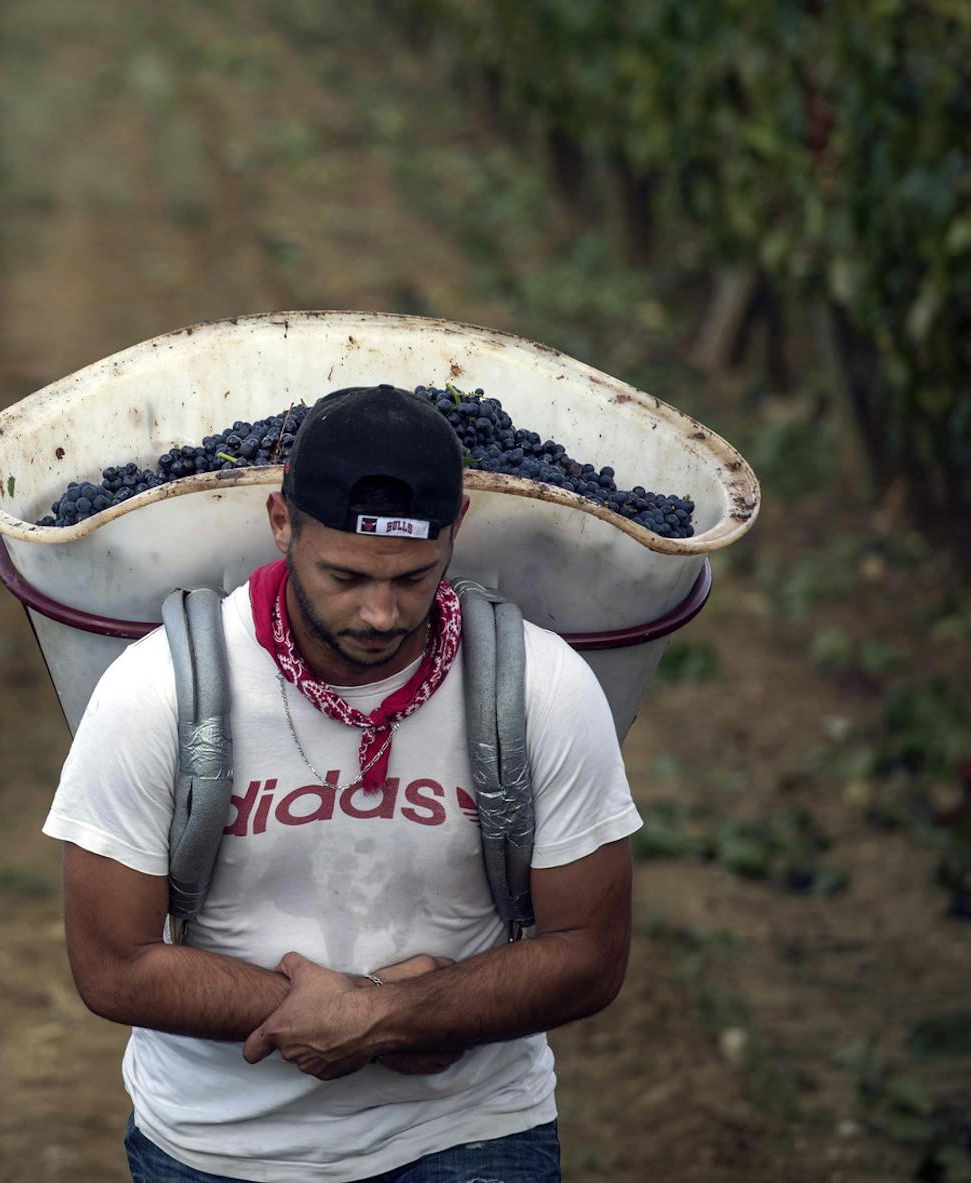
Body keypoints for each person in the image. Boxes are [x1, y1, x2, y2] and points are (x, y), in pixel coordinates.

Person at [44, 384, 641, 1182]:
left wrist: (382, 1016)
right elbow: (111, 963)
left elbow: (591, 955)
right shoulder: (163, 690)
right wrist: (343, 1014)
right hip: (219, 1146)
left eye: (414, 576)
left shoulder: (539, 688)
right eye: (347, 575)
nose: (382, 612)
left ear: (457, 528)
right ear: (281, 523)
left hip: (470, 1132)